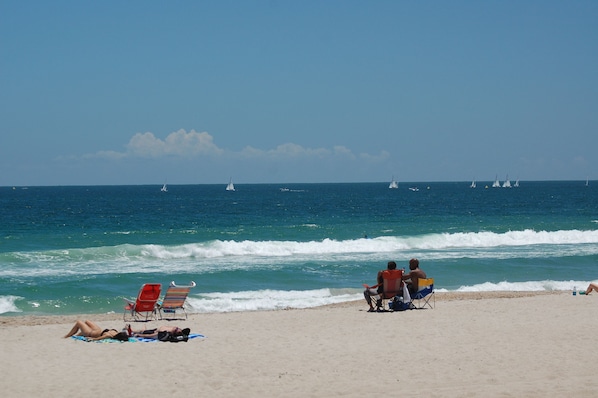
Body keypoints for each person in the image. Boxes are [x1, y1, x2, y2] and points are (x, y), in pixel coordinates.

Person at [64, 320, 129, 341]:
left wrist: (91, 338)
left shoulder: (108, 335)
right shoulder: (116, 332)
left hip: (90, 333)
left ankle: (68, 335)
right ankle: (78, 335)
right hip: (97, 329)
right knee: (87, 321)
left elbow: (97, 339)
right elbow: (125, 331)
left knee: (79, 322)